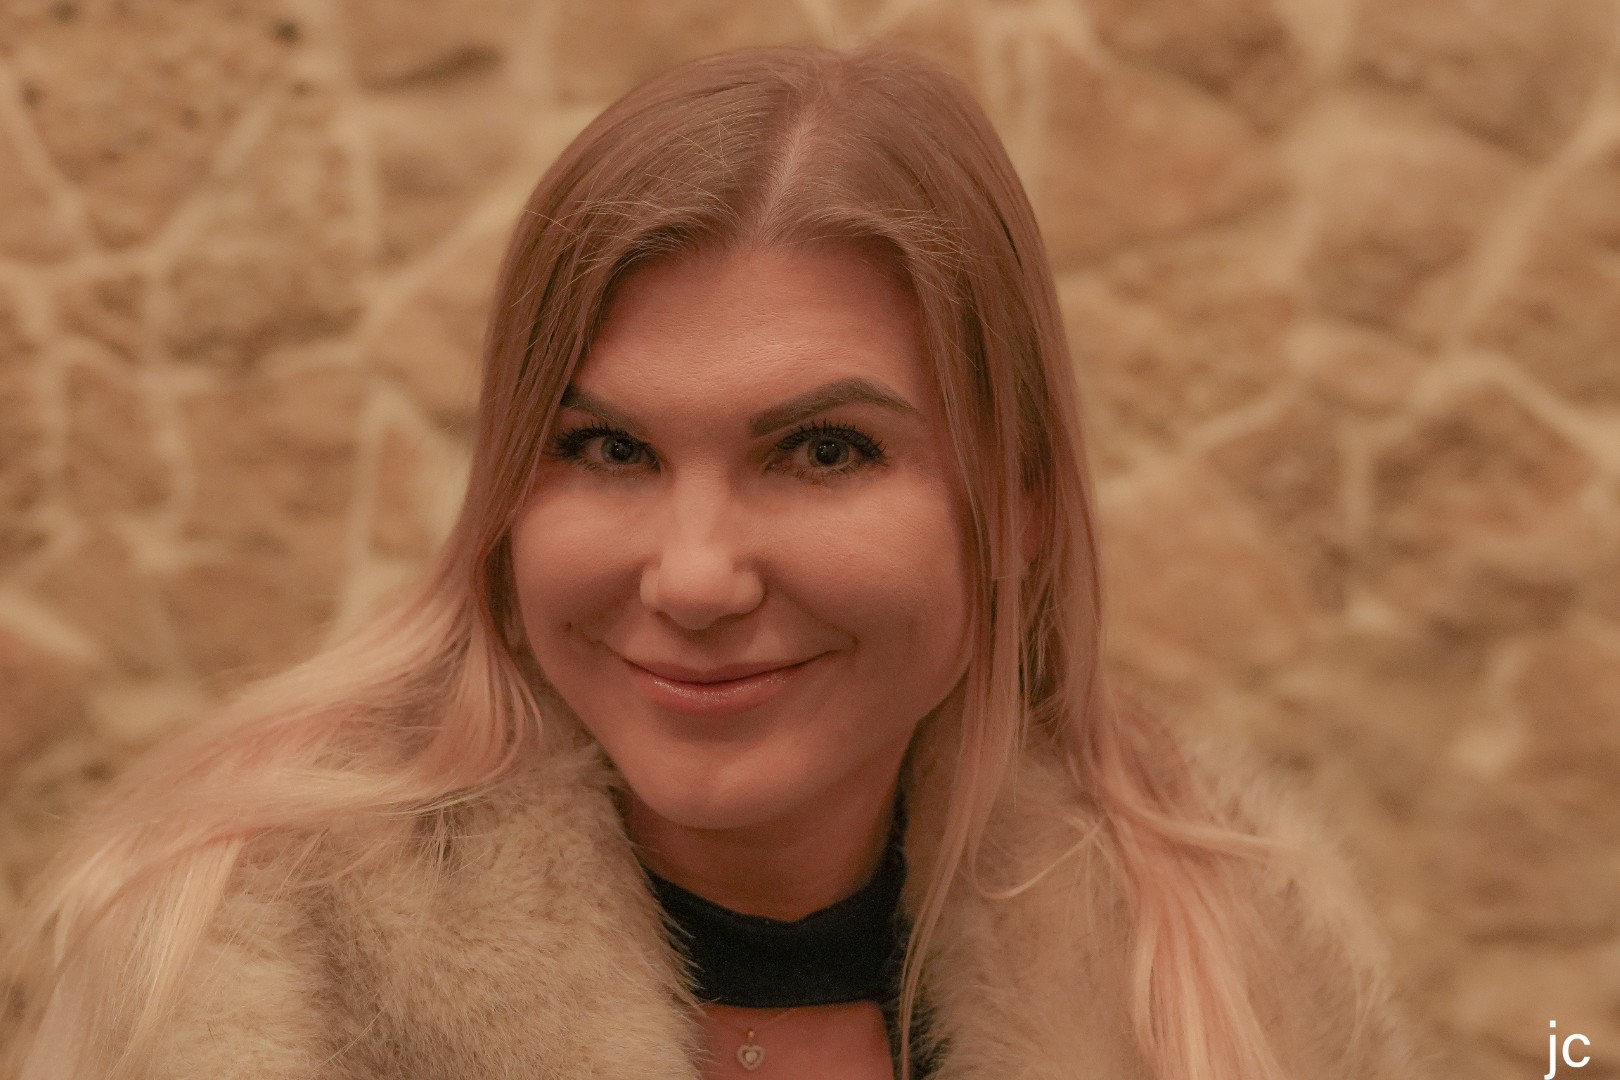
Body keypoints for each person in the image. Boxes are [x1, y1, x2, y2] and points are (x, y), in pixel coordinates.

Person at [4, 44, 1415, 1080]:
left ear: (1021, 499)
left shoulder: (1240, 968)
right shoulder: (235, 968)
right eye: (607, 448)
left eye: (824, 451)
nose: (692, 578)